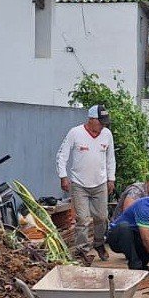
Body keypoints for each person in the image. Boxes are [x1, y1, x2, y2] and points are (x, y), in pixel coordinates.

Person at [57, 105, 115, 260]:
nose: (103, 126)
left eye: (104, 123)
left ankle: (98, 243)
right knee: (82, 219)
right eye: (100, 122)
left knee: (102, 217)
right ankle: (82, 250)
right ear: (91, 119)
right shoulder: (75, 133)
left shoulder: (107, 134)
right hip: (79, 184)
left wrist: (111, 178)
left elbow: (110, 158)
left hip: (100, 183)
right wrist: (63, 176)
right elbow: (62, 155)